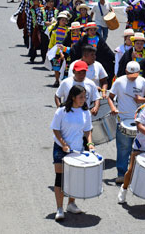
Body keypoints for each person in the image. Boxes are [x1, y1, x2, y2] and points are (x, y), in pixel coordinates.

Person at [50, 85, 94, 221]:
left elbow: (88, 130)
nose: (83, 99)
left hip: (77, 148)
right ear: (73, 97)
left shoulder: (86, 112)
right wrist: (63, 144)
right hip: (60, 148)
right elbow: (55, 129)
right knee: (60, 178)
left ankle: (71, 204)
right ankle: (59, 208)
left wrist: (90, 144)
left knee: (74, 177)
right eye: (80, 97)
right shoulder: (62, 111)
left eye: (84, 97)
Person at [108, 61, 145, 183]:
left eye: (136, 75)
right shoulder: (119, 81)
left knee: (140, 148)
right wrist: (113, 108)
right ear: (126, 72)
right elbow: (110, 97)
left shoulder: (142, 81)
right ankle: (122, 174)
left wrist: (141, 100)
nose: (133, 77)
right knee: (123, 148)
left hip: (139, 121)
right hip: (123, 120)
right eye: (131, 75)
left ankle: (139, 174)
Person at [48, 11, 71, 87]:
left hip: (65, 52)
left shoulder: (68, 31)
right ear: (59, 21)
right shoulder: (55, 31)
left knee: (65, 67)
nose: (64, 21)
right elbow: (52, 42)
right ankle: (57, 80)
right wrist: (49, 50)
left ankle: (64, 81)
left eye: (65, 20)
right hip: (56, 53)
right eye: (62, 20)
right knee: (56, 67)